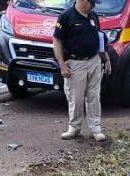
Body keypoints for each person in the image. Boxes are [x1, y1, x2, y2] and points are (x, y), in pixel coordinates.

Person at [52, 0, 111, 141]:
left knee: (94, 97)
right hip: (75, 62)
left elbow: (100, 39)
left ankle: (96, 128)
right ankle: (74, 127)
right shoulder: (66, 17)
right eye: (91, 3)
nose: (92, 6)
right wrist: (61, 64)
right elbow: (57, 41)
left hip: (94, 61)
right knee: (75, 98)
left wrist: (106, 59)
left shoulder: (93, 16)